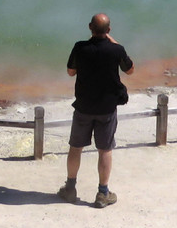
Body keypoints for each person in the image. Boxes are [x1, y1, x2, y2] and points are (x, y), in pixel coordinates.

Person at [57, 12, 134, 208]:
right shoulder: (116, 50)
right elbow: (130, 69)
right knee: (105, 150)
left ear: (90, 27)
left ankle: (70, 188)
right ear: (108, 30)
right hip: (107, 109)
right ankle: (102, 193)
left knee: (76, 147)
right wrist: (112, 41)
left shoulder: (80, 48)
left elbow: (70, 72)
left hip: (83, 106)